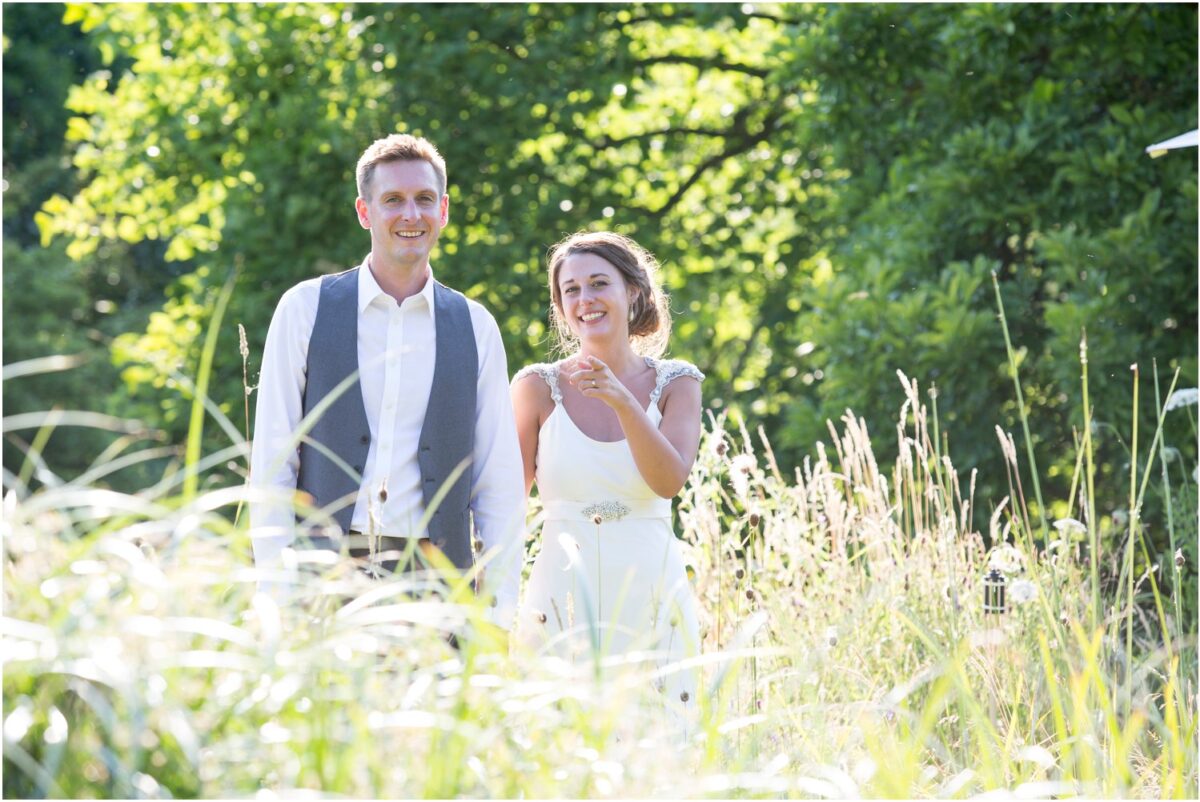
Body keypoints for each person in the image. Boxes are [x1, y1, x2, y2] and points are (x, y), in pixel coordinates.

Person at [248, 133, 525, 630]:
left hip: (438, 585)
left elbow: (498, 481)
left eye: (424, 199)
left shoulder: (476, 326)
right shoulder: (304, 309)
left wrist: (499, 611)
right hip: (322, 579)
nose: (410, 214)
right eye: (393, 199)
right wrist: (278, 595)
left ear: (443, 210)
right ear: (364, 211)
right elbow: (273, 462)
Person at [511, 230, 704, 712]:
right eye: (571, 290)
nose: (585, 299)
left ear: (632, 291)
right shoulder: (536, 388)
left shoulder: (677, 383)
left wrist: (623, 401)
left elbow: (668, 482)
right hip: (561, 594)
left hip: (651, 591)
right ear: (560, 307)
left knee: (660, 732)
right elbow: (506, 503)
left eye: (599, 283)